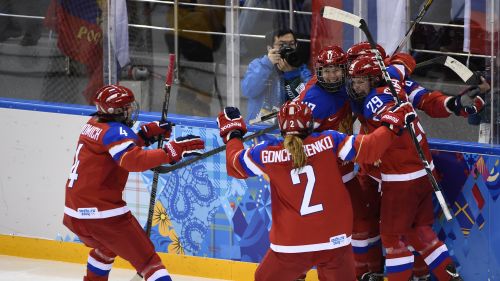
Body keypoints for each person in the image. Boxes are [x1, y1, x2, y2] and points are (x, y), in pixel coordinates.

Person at [216, 99, 417, 281]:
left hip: (291, 244)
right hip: (335, 242)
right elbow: (370, 148)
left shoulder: (266, 152)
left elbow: (235, 164)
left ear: (281, 127)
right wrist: (391, 123)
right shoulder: (329, 141)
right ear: (311, 124)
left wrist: (233, 134)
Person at [63, 84, 205, 281]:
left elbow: (116, 151)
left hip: (75, 214)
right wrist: (170, 152)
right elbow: (132, 160)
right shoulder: (113, 132)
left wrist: (144, 137)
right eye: (127, 107)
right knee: (148, 263)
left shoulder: (93, 123)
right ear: (116, 111)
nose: (131, 110)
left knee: (105, 248)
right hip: (104, 215)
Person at [347, 55, 464, 281]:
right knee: (420, 231)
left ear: (373, 80)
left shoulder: (376, 100)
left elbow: (386, 115)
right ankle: (450, 278)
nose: (355, 86)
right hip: (424, 173)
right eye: (354, 81)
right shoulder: (393, 78)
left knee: (391, 238)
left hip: (402, 181)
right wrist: (400, 62)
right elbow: (402, 64)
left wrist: (394, 115)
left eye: (360, 81)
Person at [295, 45, 383, 281]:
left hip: (345, 171)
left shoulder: (349, 86)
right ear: (319, 71)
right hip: (325, 176)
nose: (332, 75)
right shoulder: (313, 100)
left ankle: (364, 271)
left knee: (362, 218)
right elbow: (297, 142)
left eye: (336, 70)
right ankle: (298, 272)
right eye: (327, 70)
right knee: (321, 227)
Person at [241, 28, 312, 122]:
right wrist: (267, 64)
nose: (287, 48)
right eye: (282, 45)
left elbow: (309, 100)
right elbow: (248, 91)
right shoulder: (259, 65)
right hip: (259, 129)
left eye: (291, 44)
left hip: (289, 128)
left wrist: (292, 75)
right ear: (269, 48)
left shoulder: (302, 70)